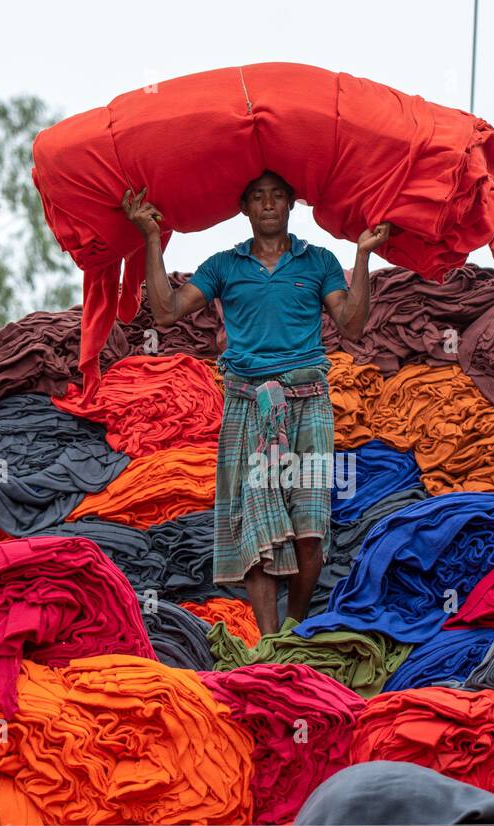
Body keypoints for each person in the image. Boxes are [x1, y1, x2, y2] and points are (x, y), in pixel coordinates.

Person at [122, 170, 390, 635]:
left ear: (291, 205)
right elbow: (165, 311)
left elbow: (351, 325)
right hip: (248, 402)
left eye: (278, 196)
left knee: (310, 529)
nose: (268, 205)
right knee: (255, 524)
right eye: (258, 198)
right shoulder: (224, 266)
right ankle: (270, 642)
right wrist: (151, 237)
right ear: (244, 208)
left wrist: (363, 255)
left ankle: (294, 628)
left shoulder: (318, 261)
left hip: (309, 400)